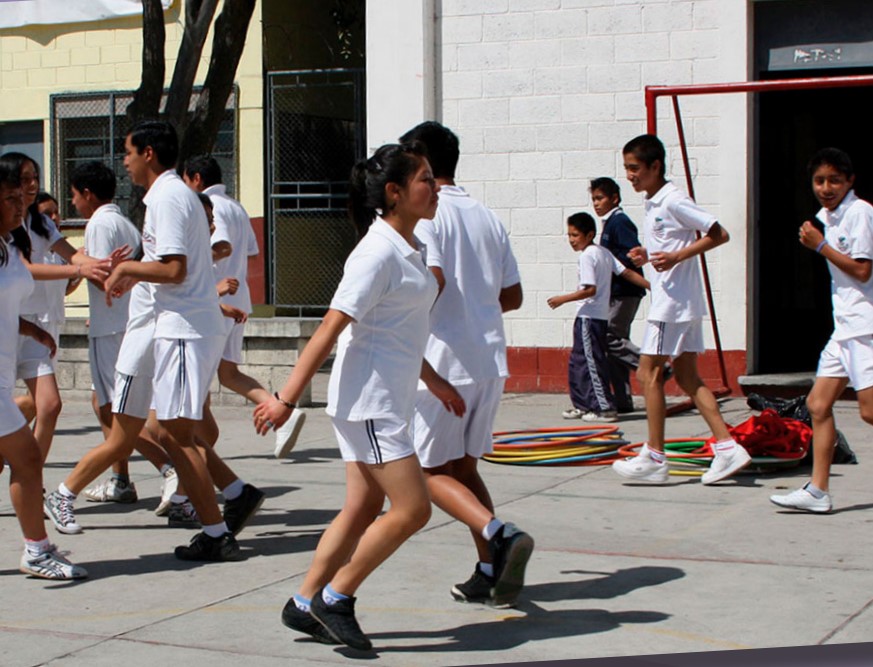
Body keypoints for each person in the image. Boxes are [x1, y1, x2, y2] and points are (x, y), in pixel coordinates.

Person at [254, 142, 465, 651]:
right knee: (413, 509)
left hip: (383, 398)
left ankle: (304, 602)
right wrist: (285, 397)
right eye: (425, 179)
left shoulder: (406, 246)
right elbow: (330, 329)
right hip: (372, 405)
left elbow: (397, 330)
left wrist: (433, 379)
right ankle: (337, 597)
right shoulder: (375, 253)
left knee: (361, 507)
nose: (434, 188)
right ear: (394, 192)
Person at [44, 121, 254, 561]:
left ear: (149, 155)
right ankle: (228, 503)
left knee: (177, 435)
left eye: (128, 152)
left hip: (180, 329)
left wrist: (125, 271)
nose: (125, 160)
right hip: (174, 327)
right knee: (175, 432)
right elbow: (174, 266)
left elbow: (175, 270)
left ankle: (217, 529)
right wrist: (133, 269)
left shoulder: (170, 197)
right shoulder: (164, 198)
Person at [397, 120, 533, 608]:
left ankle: (499, 533)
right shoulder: (487, 216)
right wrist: (475, 305)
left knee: (427, 473)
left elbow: (429, 283)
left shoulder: (428, 218)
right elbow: (513, 295)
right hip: (488, 360)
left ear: (423, 163)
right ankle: (490, 569)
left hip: (441, 363)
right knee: (464, 471)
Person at [611, 134, 751, 485]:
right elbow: (673, 241)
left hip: (671, 304)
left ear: (655, 166)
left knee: (648, 374)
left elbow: (718, 233)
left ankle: (655, 457)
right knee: (687, 377)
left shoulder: (673, 200)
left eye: (635, 168)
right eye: (627, 168)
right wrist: (650, 252)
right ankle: (727, 446)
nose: (630, 175)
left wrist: (676, 256)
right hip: (681, 301)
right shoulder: (654, 202)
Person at [64, 161, 179, 512]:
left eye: (73, 196)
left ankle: (169, 467)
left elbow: (103, 277)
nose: (72, 204)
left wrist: (78, 263)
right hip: (120, 323)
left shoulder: (99, 223)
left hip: (111, 326)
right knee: (104, 407)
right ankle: (120, 480)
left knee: (118, 412)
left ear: (87, 194)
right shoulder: (124, 222)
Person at [181, 155, 306, 458]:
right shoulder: (236, 207)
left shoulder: (209, 207)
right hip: (235, 299)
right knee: (227, 374)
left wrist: (197, 263)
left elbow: (223, 245)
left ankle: (196, 447)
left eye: (185, 180)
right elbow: (250, 251)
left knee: (200, 378)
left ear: (196, 178)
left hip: (215, 301)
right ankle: (279, 412)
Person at [770, 148, 873, 513]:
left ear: (850, 181)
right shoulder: (825, 217)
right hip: (843, 330)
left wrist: (821, 246)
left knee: (869, 413)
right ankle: (818, 491)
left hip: (866, 329)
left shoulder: (860, 213)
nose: (826, 188)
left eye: (834, 180)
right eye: (819, 181)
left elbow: (862, 271)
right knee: (817, 404)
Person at [0, 156, 87, 579]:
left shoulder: (7, 247)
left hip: (5, 370)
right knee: (29, 458)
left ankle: (36, 548)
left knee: (20, 459)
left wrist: (29, 330)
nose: (21, 203)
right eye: (10, 197)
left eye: (23, 195)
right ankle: (36, 550)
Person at [1, 152, 114, 465]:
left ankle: (30, 476)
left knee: (50, 406)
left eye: (34, 178)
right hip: (10, 327)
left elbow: (73, 255)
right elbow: (27, 268)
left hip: (38, 328)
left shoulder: (40, 223)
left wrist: (107, 266)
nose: (32, 185)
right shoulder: (6, 229)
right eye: (24, 180)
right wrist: (78, 271)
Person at [548, 212, 650, 423]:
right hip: (592, 317)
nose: (572, 240)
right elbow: (627, 273)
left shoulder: (588, 255)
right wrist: (652, 286)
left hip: (590, 316)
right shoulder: (604, 253)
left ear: (589, 234)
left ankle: (605, 408)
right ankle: (582, 404)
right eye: (569, 235)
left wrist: (562, 299)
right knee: (578, 361)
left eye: (575, 235)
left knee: (591, 362)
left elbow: (589, 290)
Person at [591, 177, 646, 414]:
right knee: (614, 346)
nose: (596, 203)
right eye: (593, 199)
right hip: (615, 292)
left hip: (625, 291)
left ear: (614, 198)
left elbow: (630, 256)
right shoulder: (608, 224)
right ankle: (622, 400)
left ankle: (653, 366)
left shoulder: (620, 222)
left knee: (609, 337)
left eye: (600, 198)